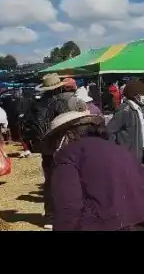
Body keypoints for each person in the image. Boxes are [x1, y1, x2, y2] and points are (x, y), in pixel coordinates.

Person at [47, 111, 144, 231]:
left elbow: (68, 205)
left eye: (55, 141)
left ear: (67, 136)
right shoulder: (120, 150)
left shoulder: (68, 155)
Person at [35, 73, 88, 230]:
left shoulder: (38, 103)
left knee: (50, 181)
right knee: (71, 180)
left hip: (46, 148)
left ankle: (50, 217)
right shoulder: (70, 101)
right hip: (66, 147)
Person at [107, 79, 144, 174]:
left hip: (140, 155)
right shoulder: (125, 111)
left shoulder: (138, 109)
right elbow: (110, 131)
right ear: (136, 96)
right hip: (128, 157)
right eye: (143, 94)